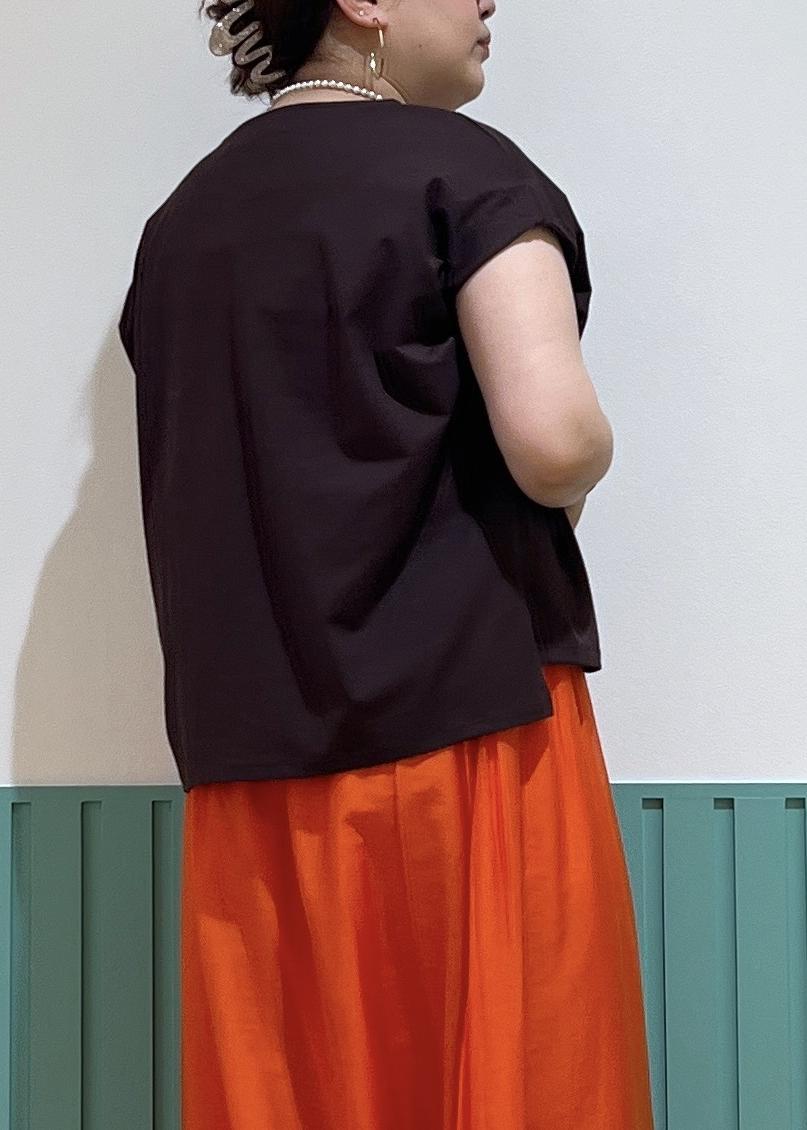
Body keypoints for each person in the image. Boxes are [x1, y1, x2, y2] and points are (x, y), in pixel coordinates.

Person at [118, 0, 656, 1125]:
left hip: (251, 784)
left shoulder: (181, 224)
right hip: (472, 748)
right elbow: (554, 440)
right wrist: (592, 462)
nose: (487, 1)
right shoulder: (462, 172)